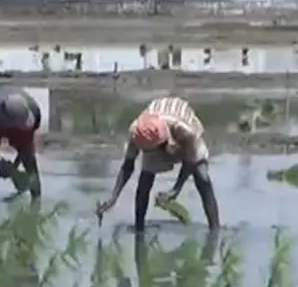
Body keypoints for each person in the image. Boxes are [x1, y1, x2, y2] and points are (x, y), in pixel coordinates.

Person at [94, 96, 220, 232]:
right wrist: (113, 198)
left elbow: (191, 160)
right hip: (156, 139)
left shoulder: (185, 131)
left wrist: (176, 189)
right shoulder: (136, 132)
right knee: (145, 181)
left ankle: (215, 228)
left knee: (202, 176)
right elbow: (128, 166)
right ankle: (139, 229)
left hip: (180, 131)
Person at [0, 87, 43, 200]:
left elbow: (27, 145)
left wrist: (13, 169)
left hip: (20, 130)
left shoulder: (34, 113)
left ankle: (37, 199)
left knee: (30, 161)